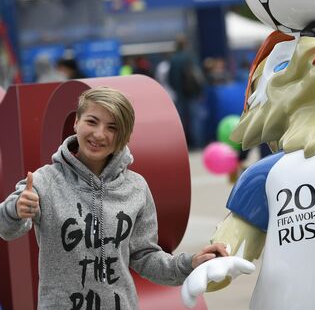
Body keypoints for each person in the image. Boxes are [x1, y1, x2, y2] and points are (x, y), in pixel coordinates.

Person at [0, 86, 227, 309]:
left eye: (112, 127)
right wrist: (16, 211)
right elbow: (7, 228)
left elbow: (145, 257)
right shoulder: (43, 181)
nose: (99, 134)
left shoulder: (136, 187)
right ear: (76, 122)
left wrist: (190, 263)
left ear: (125, 136)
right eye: (91, 121)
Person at [168, 37, 206, 149]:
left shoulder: (174, 59)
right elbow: (198, 76)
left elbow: (171, 78)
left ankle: (184, 145)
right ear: (186, 45)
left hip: (180, 94)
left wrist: (177, 89)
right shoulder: (191, 57)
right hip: (193, 94)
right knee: (195, 120)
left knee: (181, 121)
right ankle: (198, 143)